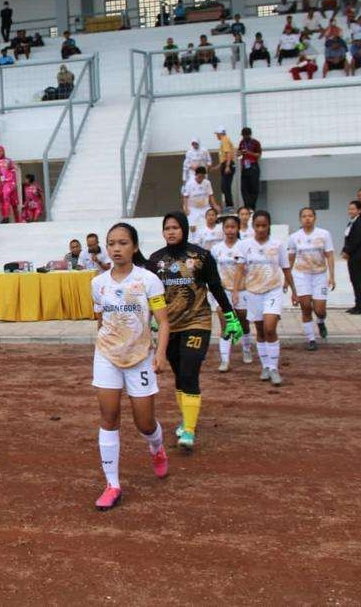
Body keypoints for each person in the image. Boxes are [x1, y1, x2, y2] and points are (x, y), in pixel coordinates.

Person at [90, 222, 171, 511]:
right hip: (107, 356)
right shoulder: (98, 284)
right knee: (109, 416)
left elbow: (162, 322)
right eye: (111, 243)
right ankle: (112, 484)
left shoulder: (148, 280)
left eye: (123, 243)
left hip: (140, 358)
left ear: (134, 247)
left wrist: (159, 354)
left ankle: (156, 447)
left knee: (144, 422)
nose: (116, 248)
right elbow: (99, 318)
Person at [148, 212, 241, 449]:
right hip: (170, 327)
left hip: (197, 323)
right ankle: (186, 419)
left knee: (190, 372)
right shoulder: (155, 260)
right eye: (167, 228)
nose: (171, 232)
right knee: (180, 375)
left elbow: (216, 287)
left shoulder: (201, 256)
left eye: (176, 227)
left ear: (185, 229)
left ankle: (188, 431)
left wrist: (230, 316)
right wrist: (150, 321)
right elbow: (149, 293)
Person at [234, 210, 295, 386]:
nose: (261, 229)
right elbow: (239, 269)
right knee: (260, 330)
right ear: (253, 226)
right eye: (257, 225)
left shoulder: (277, 244)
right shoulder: (244, 245)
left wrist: (294, 291)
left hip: (273, 290)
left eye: (264, 225)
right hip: (253, 292)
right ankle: (265, 366)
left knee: (270, 328)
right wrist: (237, 291)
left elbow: (286, 268)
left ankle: (274, 368)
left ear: (269, 226)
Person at [209, 215, 254, 371]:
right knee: (226, 324)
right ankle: (225, 360)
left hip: (242, 291)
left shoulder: (244, 246)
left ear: (238, 228)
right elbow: (212, 269)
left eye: (233, 227)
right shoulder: (216, 249)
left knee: (243, 323)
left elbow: (246, 269)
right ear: (223, 229)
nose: (230, 230)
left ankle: (247, 350)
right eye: (227, 227)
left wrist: (237, 290)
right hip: (223, 292)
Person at [287, 208, 336, 351]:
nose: (307, 219)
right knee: (306, 307)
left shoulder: (324, 234)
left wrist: (332, 276)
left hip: (319, 274)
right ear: (300, 219)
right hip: (301, 275)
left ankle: (321, 322)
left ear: (315, 218)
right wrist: (287, 279)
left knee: (320, 310)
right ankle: (311, 339)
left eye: (310, 216)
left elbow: (330, 255)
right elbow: (290, 259)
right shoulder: (294, 237)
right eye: (304, 216)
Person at [342, 200, 361, 314]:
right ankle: (358, 304)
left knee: (359, 281)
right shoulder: (353, 221)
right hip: (353, 256)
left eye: (353, 209)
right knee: (355, 280)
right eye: (349, 209)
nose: (350, 211)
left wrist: (347, 251)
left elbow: (357, 239)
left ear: (359, 210)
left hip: (359, 256)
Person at [181, 166, 219, 236]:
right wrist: (186, 208)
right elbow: (185, 197)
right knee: (192, 226)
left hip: (205, 207)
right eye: (199, 176)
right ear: (195, 175)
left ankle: (209, 235)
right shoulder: (189, 184)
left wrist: (215, 205)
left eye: (203, 177)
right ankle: (194, 239)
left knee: (211, 221)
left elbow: (210, 195)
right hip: (193, 207)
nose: (201, 179)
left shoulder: (207, 183)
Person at [238, 127, 262, 210]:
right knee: (244, 188)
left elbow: (258, 155)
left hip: (253, 166)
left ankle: (252, 206)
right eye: (243, 135)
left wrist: (248, 152)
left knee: (254, 187)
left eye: (246, 135)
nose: (245, 137)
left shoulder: (255, 143)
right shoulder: (242, 142)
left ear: (250, 135)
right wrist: (239, 153)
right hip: (245, 167)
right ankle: (247, 206)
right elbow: (239, 154)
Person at [0, 145, 19, 224]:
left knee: (7, 197)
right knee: (2, 201)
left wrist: (14, 182)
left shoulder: (8, 161)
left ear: (4, 151)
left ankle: (9, 217)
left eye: (1, 151)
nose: (0, 152)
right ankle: (5, 217)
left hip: (9, 182)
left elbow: (13, 172)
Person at [215, 127, 236, 208]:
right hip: (226, 163)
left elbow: (228, 154)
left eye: (217, 134)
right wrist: (218, 166)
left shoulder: (224, 140)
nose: (216, 136)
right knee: (224, 187)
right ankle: (228, 205)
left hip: (228, 164)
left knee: (225, 187)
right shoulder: (225, 140)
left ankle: (229, 206)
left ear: (220, 133)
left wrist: (227, 166)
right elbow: (224, 156)